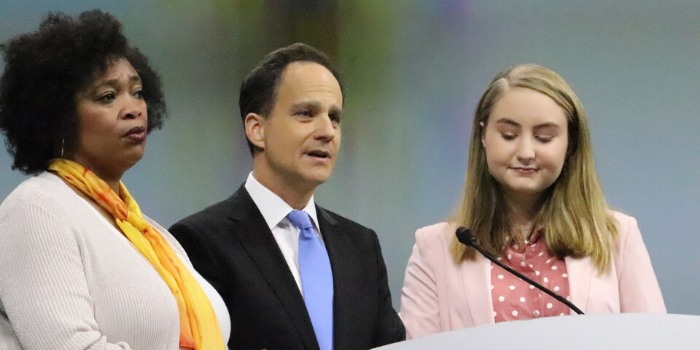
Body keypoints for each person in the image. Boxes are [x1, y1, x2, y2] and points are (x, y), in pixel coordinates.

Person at [0, 11, 228, 349]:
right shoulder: (36, 208)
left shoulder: (150, 234)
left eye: (137, 92)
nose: (134, 108)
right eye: (108, 96)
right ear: (58, 117)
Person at [399, 64, 666, 339]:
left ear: (570, 143)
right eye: (509, 135)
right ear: (483, 136)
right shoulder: (435, 249)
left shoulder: (617, 237)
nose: (526, 152)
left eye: (544, 138)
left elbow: (658, 342)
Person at [169, 43, 405, 350]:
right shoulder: (200, 242)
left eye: (334, 118)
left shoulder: (361, 246)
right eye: (306, 114)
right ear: (257, 130)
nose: (327, 131)